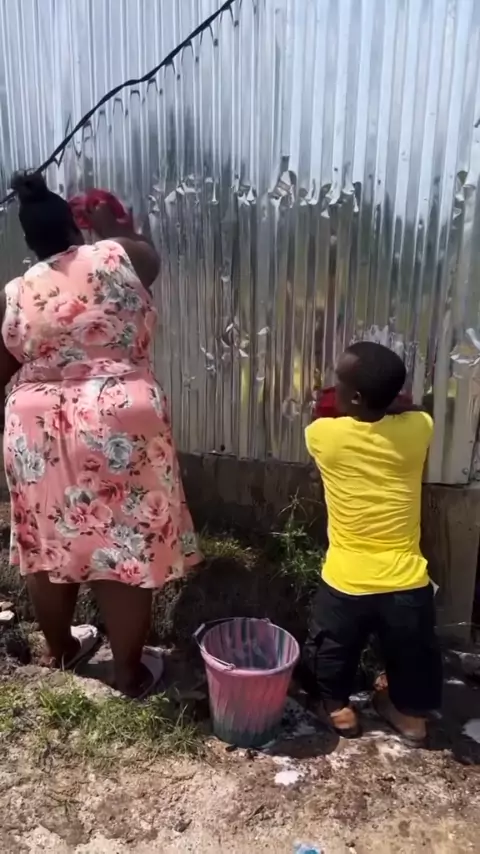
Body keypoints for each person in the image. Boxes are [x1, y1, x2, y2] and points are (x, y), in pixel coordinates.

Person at [0, 171, 202, 696]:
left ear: (30, 241)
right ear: (76, 225)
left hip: (35, 421)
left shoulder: (17, 291)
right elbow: (148, 256)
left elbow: (3, 365)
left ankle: (62, 649)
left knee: (46, 537)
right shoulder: (117, 256)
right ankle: (128, 673)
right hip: (117, 410)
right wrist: (110, 222)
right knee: (125, 540)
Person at [302, 341, 442, 746]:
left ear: (354, 398)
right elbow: (414, 411)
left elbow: (323, 414)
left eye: (340, 383)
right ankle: (410, 718)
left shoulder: (324, 436)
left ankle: (338, 710)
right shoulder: (419, 429)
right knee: (412, 650)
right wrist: (389, 402)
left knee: (331, 647)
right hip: (407, 582)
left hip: (347, 581)